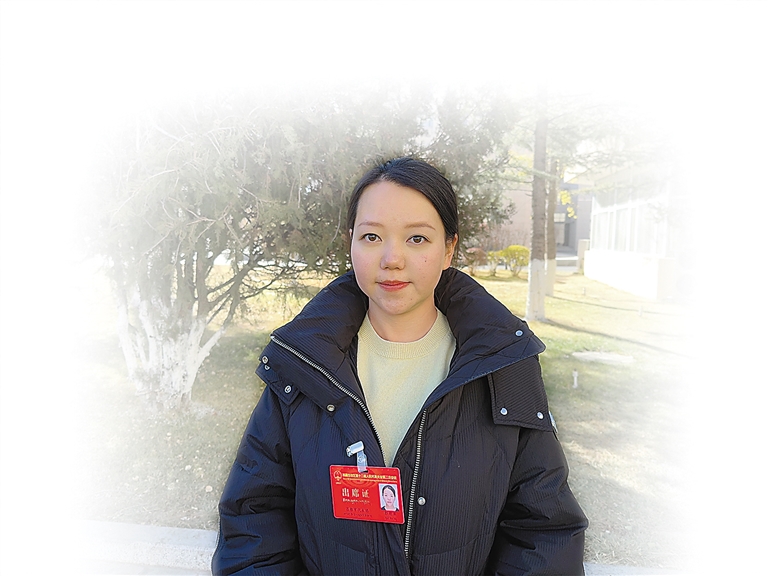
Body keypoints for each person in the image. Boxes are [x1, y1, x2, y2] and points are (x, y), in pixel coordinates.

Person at [212, 157, 588, 575]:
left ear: (449, 249)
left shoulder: (502, 365)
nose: (392, 258)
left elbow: (543, 531)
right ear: (350, 244)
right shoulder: (303, 364)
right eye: (372, 236)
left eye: (417, 239)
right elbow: (254, 520)